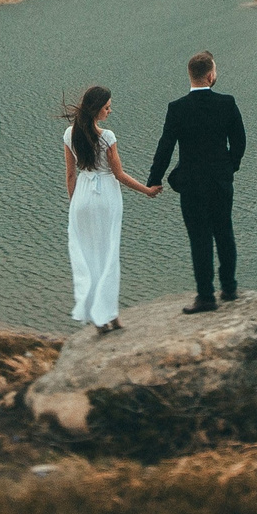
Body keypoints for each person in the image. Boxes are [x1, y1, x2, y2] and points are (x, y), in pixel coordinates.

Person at [145, 50, 246, 314]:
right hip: (221, 181)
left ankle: (205, 297)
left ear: (190, 76)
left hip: (191, 183)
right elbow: (239, 142)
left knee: (199, 238)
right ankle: (230, 287)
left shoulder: (177, 108)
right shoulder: (227, 103)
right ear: (211, 75)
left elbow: (165, 147)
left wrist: (153, 180)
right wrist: (229, 167)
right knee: (224, 231)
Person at [62, 84, 159, 333]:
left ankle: (99, 318)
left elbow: (70, 175)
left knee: (91, 257)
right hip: (105, 198)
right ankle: (111, 315)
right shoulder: (107, 137)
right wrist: (146, 190)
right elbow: (119, 175)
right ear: (96, 109)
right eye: (107, 107)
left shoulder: (69, 134)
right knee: (108, 257)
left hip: (82, 197)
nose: (110, 111)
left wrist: (74, 206)